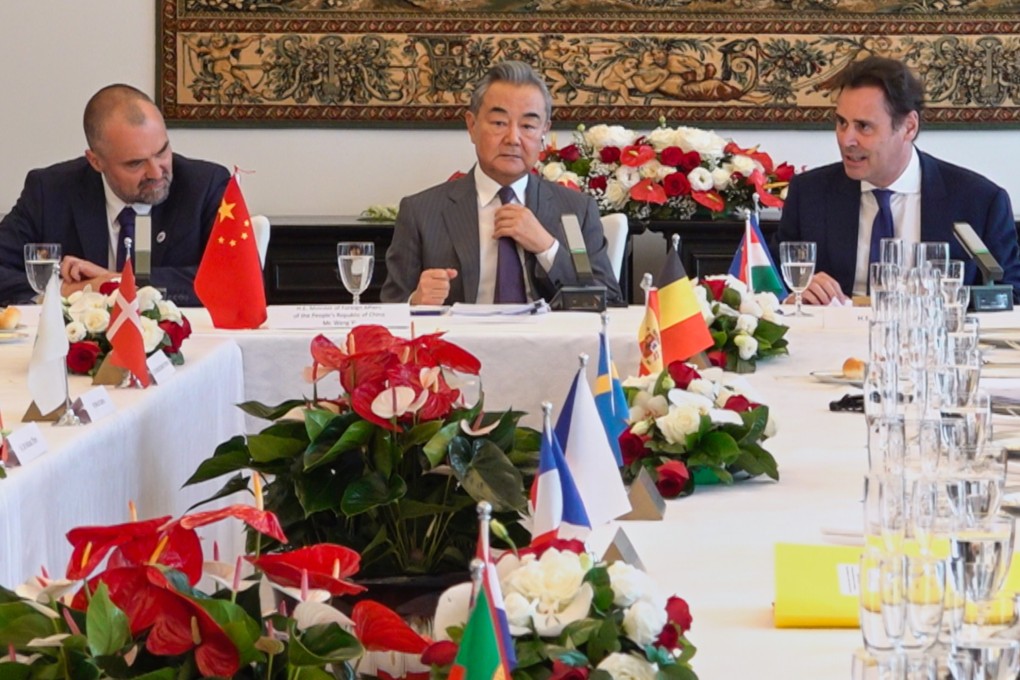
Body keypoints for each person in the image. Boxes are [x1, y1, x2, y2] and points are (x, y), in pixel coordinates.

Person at [775, 55, 1020, 304]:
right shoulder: (809, 194)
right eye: (841, 122)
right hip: (835, 337)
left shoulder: (979, 201)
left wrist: (949, 301)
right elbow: (770, 283)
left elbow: (1010, 296)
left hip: (931, 337)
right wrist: (794, 294)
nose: (846, 139)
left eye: (863, 126)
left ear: (909, 127)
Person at [381, 60, 622, 306]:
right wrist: (416, 300)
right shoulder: (421, 212)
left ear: (544, 132)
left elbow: (608, 301)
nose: (513, 138)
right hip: (459, 342)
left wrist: (546, 247)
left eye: (528, 126)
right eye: (499, 123)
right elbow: (391, 305)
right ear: (472, 125)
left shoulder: (576, 210)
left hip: (545, 344)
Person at [0, 84, 230, 306]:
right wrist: (69, 290)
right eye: (135, 163)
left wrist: (116, 282)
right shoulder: (50, 191)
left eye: (162, 152)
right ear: (96, 161)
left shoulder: (204, 186)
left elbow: (230, 279)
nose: (156, 172)